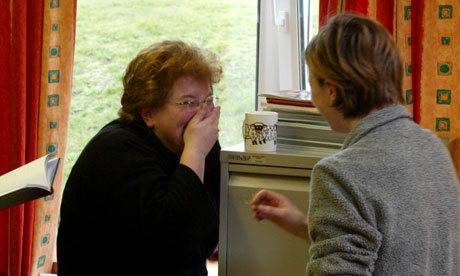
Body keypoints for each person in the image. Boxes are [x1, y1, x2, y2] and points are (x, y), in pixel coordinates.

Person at [252, 13, 460, 275]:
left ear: (331, 90)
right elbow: (399, 251)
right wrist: (307, 225)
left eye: (312, 84)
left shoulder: (339, 174)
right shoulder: (433, 148)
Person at [57, 40, 222, 275]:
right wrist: (195, 151)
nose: (203, 113)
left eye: (208, 100)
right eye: (188, 102)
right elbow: (173, 241)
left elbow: (206, 238)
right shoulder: (115, 151)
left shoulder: (193, 140)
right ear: (148, 113)